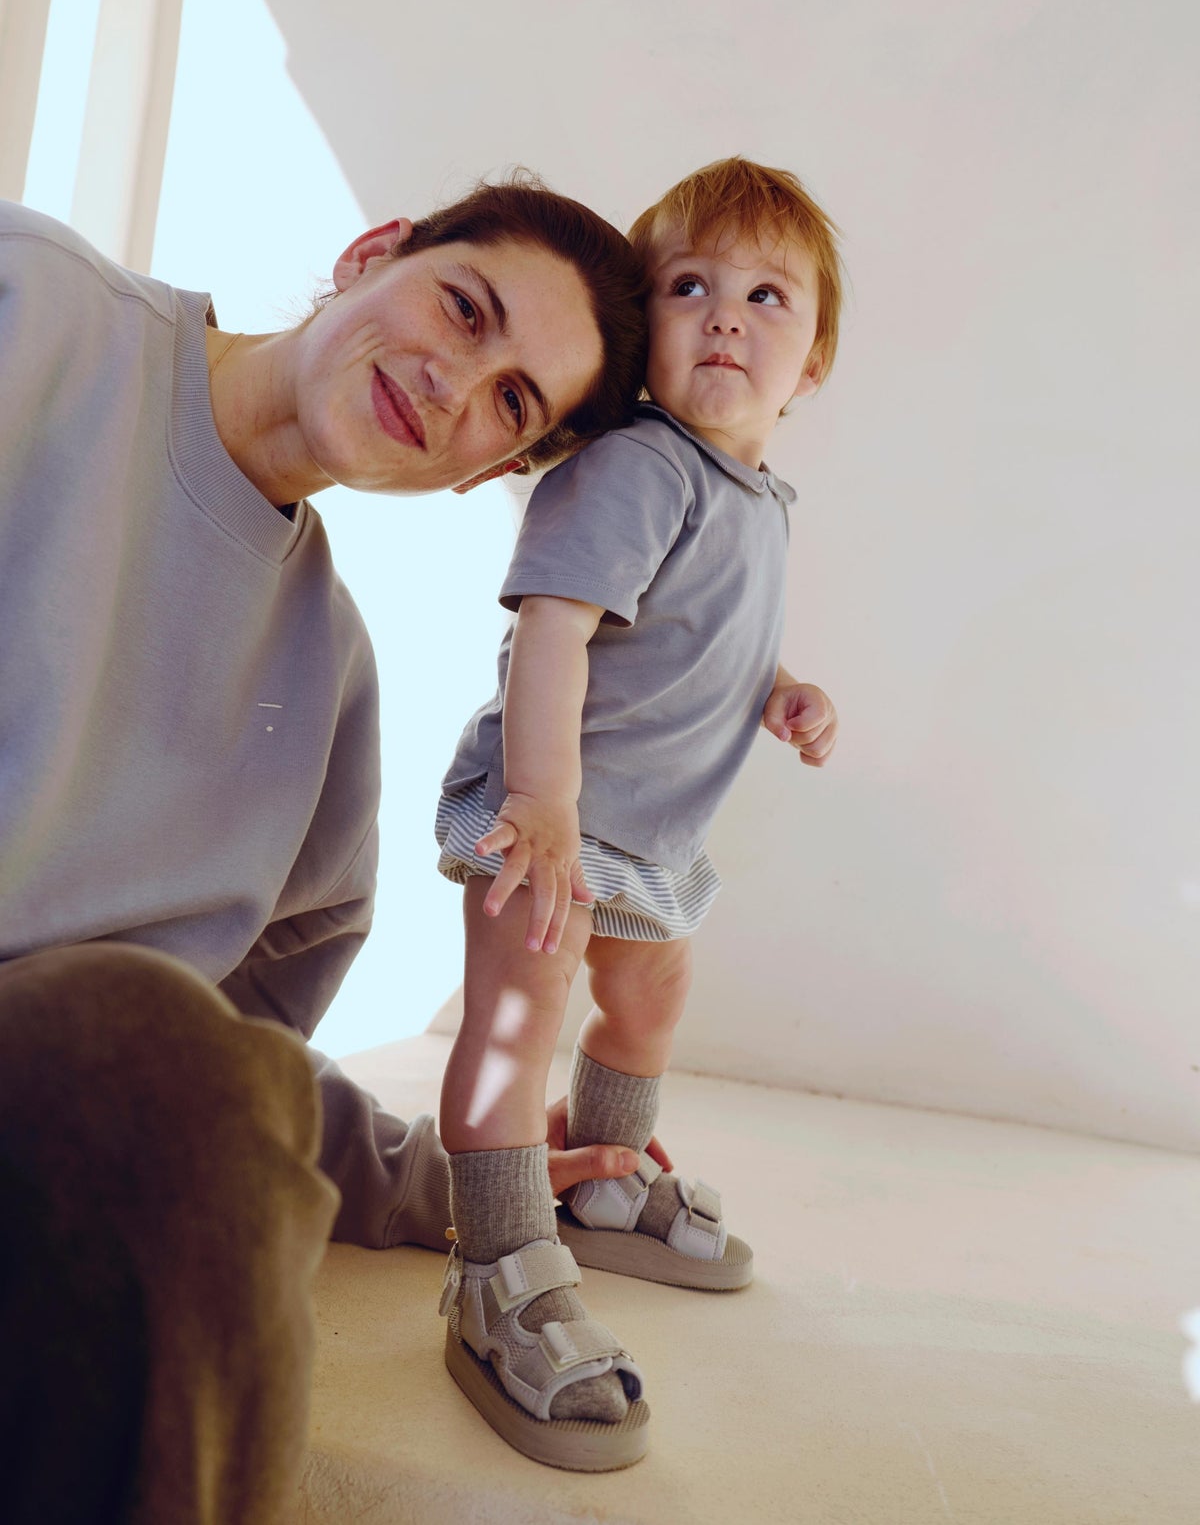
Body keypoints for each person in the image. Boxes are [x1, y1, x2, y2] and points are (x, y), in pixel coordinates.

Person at [0, 176, 651, 1525]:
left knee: (141, 1044)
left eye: (514, 405)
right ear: (370, 254)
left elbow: (223, 1071)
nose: (459, 382)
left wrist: (467, 1177)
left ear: (488, 472)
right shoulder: (38, 312)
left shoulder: (329, 683)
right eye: (462, 309)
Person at [434, 157, 842, 1471]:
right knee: (515, 1024)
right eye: (690, 287)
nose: (727, 317)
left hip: (654, 844)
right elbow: (553, 629)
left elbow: (692, 636)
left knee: (647, 1002)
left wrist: (778, 692)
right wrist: (542, 804)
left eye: (768, 296)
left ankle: (605, 1171)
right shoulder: (637, 469)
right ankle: (496, 1258)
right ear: (641, 331)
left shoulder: (759, 504)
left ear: (812, 361)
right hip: (553, 820)